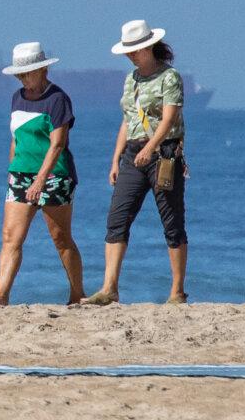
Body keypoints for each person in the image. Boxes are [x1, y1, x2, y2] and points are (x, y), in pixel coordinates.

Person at [0, 42, 85, 307]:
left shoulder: (58, 99)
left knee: (61, 238)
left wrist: (41, 180)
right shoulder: (17, 98)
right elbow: (16, 139)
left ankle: (78, 294)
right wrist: (12, 173)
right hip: (20, 176)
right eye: (19, 74)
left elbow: (57, 144)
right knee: (11, 237)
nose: (23, 79)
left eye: (27, 73)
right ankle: (0, 297)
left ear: (42, 69)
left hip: (54, 176)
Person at [85, 20, 189, 305]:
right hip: (132, 153)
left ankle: (177, 291)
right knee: (117, 219)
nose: (132, 55)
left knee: (172, 221)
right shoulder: (131, 80)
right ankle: (109, 288)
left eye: (136, 49)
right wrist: (116, 159)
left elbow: (169, 118)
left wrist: (151, 147)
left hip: (164, 153)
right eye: (128, 50)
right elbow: (128, 119)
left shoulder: (170, 77)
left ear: (149, 46)